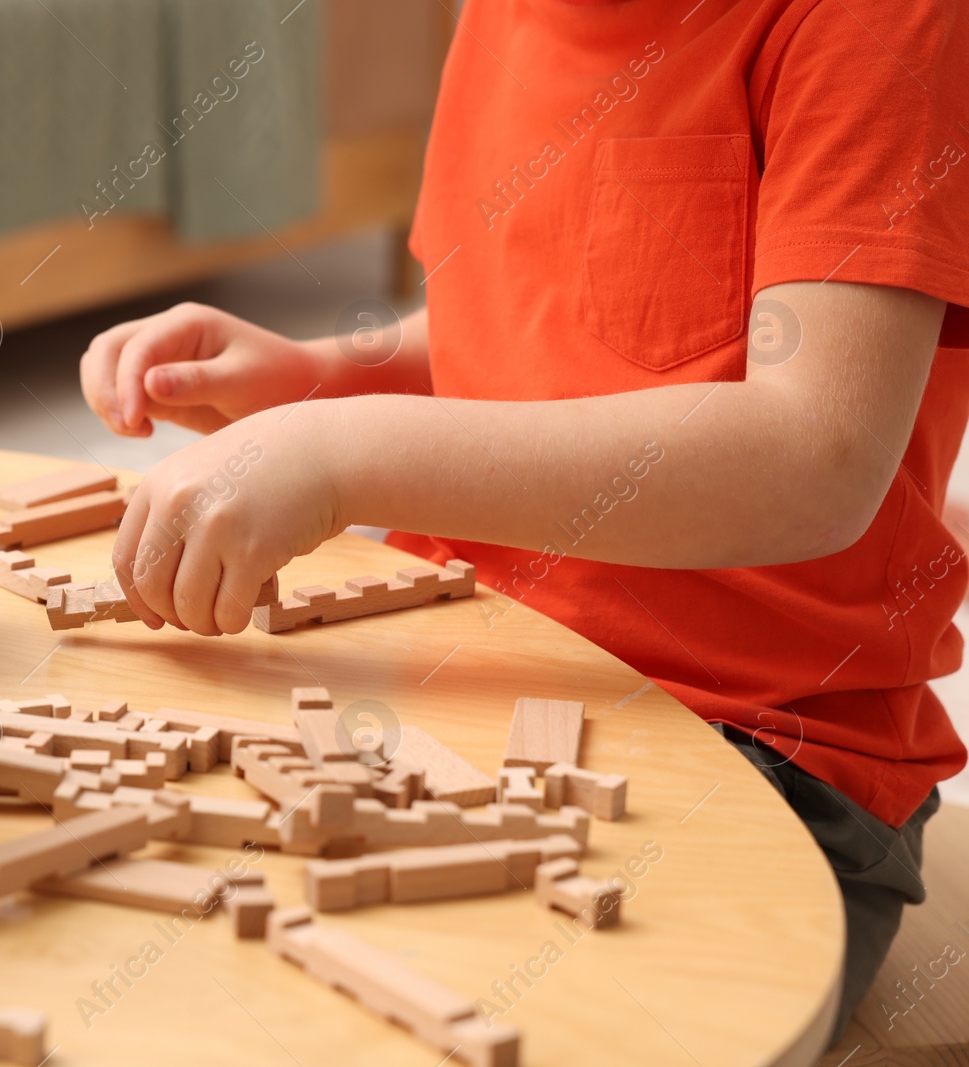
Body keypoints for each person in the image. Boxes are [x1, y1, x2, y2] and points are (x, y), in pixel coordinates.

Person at [78, 0, 968, 1044]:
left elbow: (812, 455)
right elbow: (511, 340)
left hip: (755, 743)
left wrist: (345, 455)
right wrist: (317, 382)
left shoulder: (883, 25)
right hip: (456, 667)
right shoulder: (504, 14)